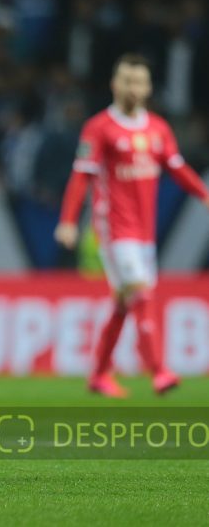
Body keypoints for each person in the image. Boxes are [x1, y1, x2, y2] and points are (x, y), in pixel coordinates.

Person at [55, 53, 209, 398]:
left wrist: (204, 195)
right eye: (127, 80)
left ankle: (98, 374)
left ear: (149, 86)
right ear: (115, 84)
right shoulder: (99, 127)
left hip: (144, 232)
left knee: (126, 302)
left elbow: (178, 167)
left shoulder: (158, 128)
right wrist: (67, 221)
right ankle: (160, 370)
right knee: (141, 292)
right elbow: (81, 176)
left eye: (140, 81)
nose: (134, 88)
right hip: (114, 229)